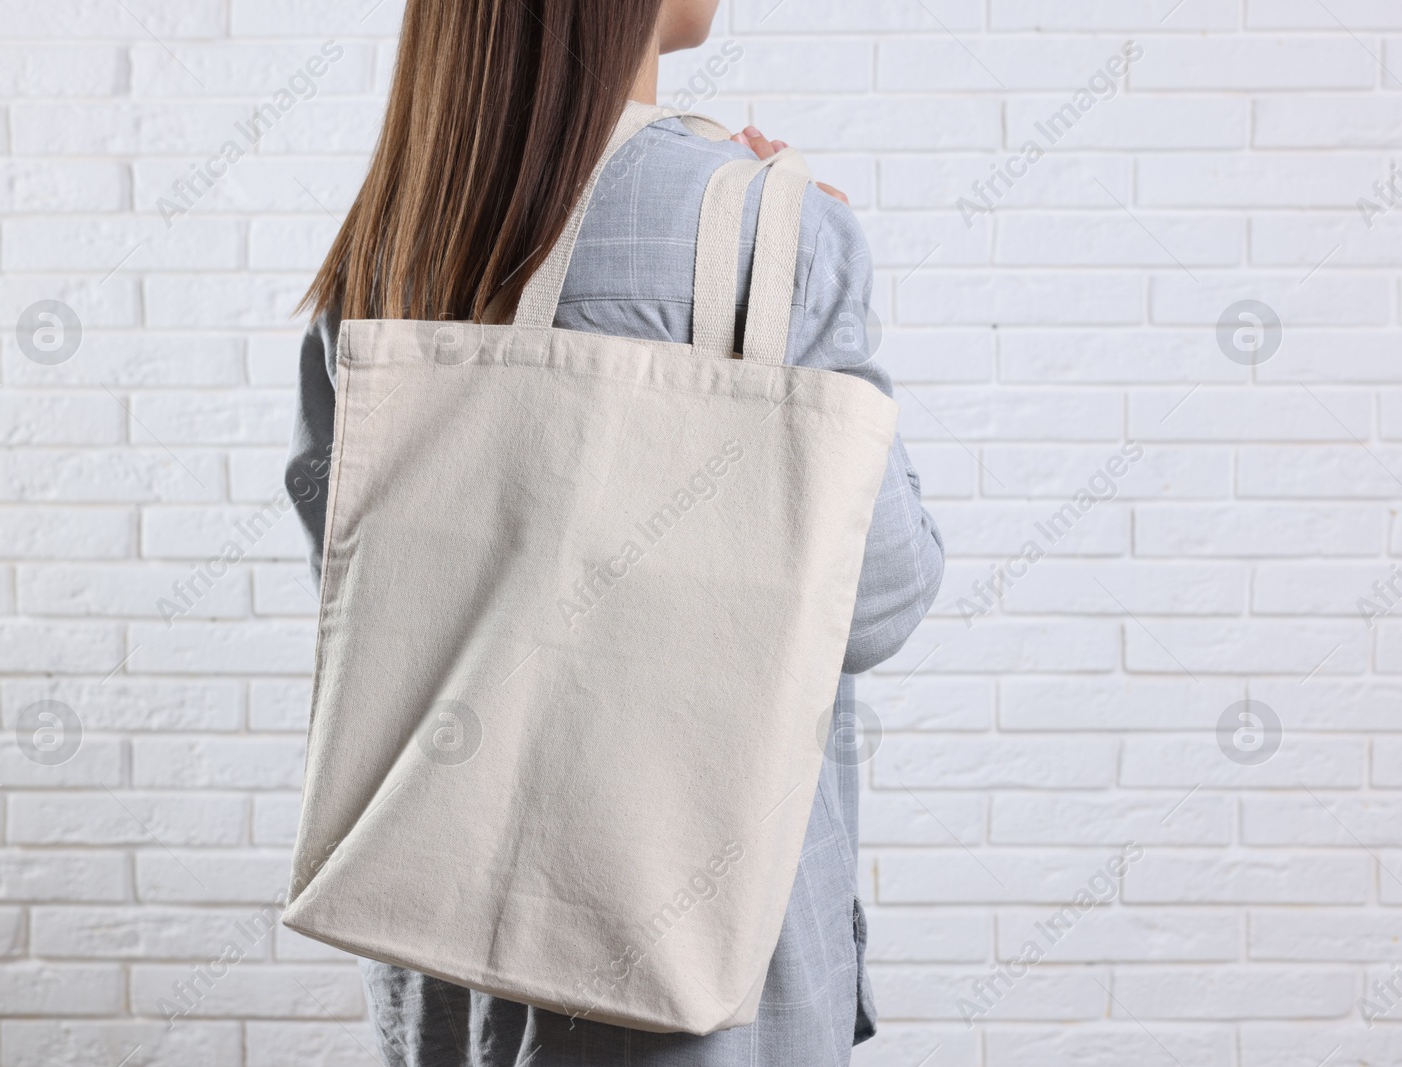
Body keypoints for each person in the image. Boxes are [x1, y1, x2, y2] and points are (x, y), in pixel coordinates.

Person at [283, 1, 945, 1062]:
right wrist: (824, 296)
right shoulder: (774, 236)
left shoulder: (389, 242)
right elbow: (878, 604)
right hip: (694, 969)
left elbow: (364, 586)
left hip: (450, 957)